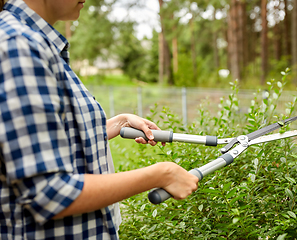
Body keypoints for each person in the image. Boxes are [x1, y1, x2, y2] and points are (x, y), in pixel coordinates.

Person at [0, 0, 199, 239]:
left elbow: (50, 137)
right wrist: (161, 174)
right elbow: (48, 193)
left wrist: (119, 123)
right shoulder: (18, 47)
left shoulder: (36, 42)